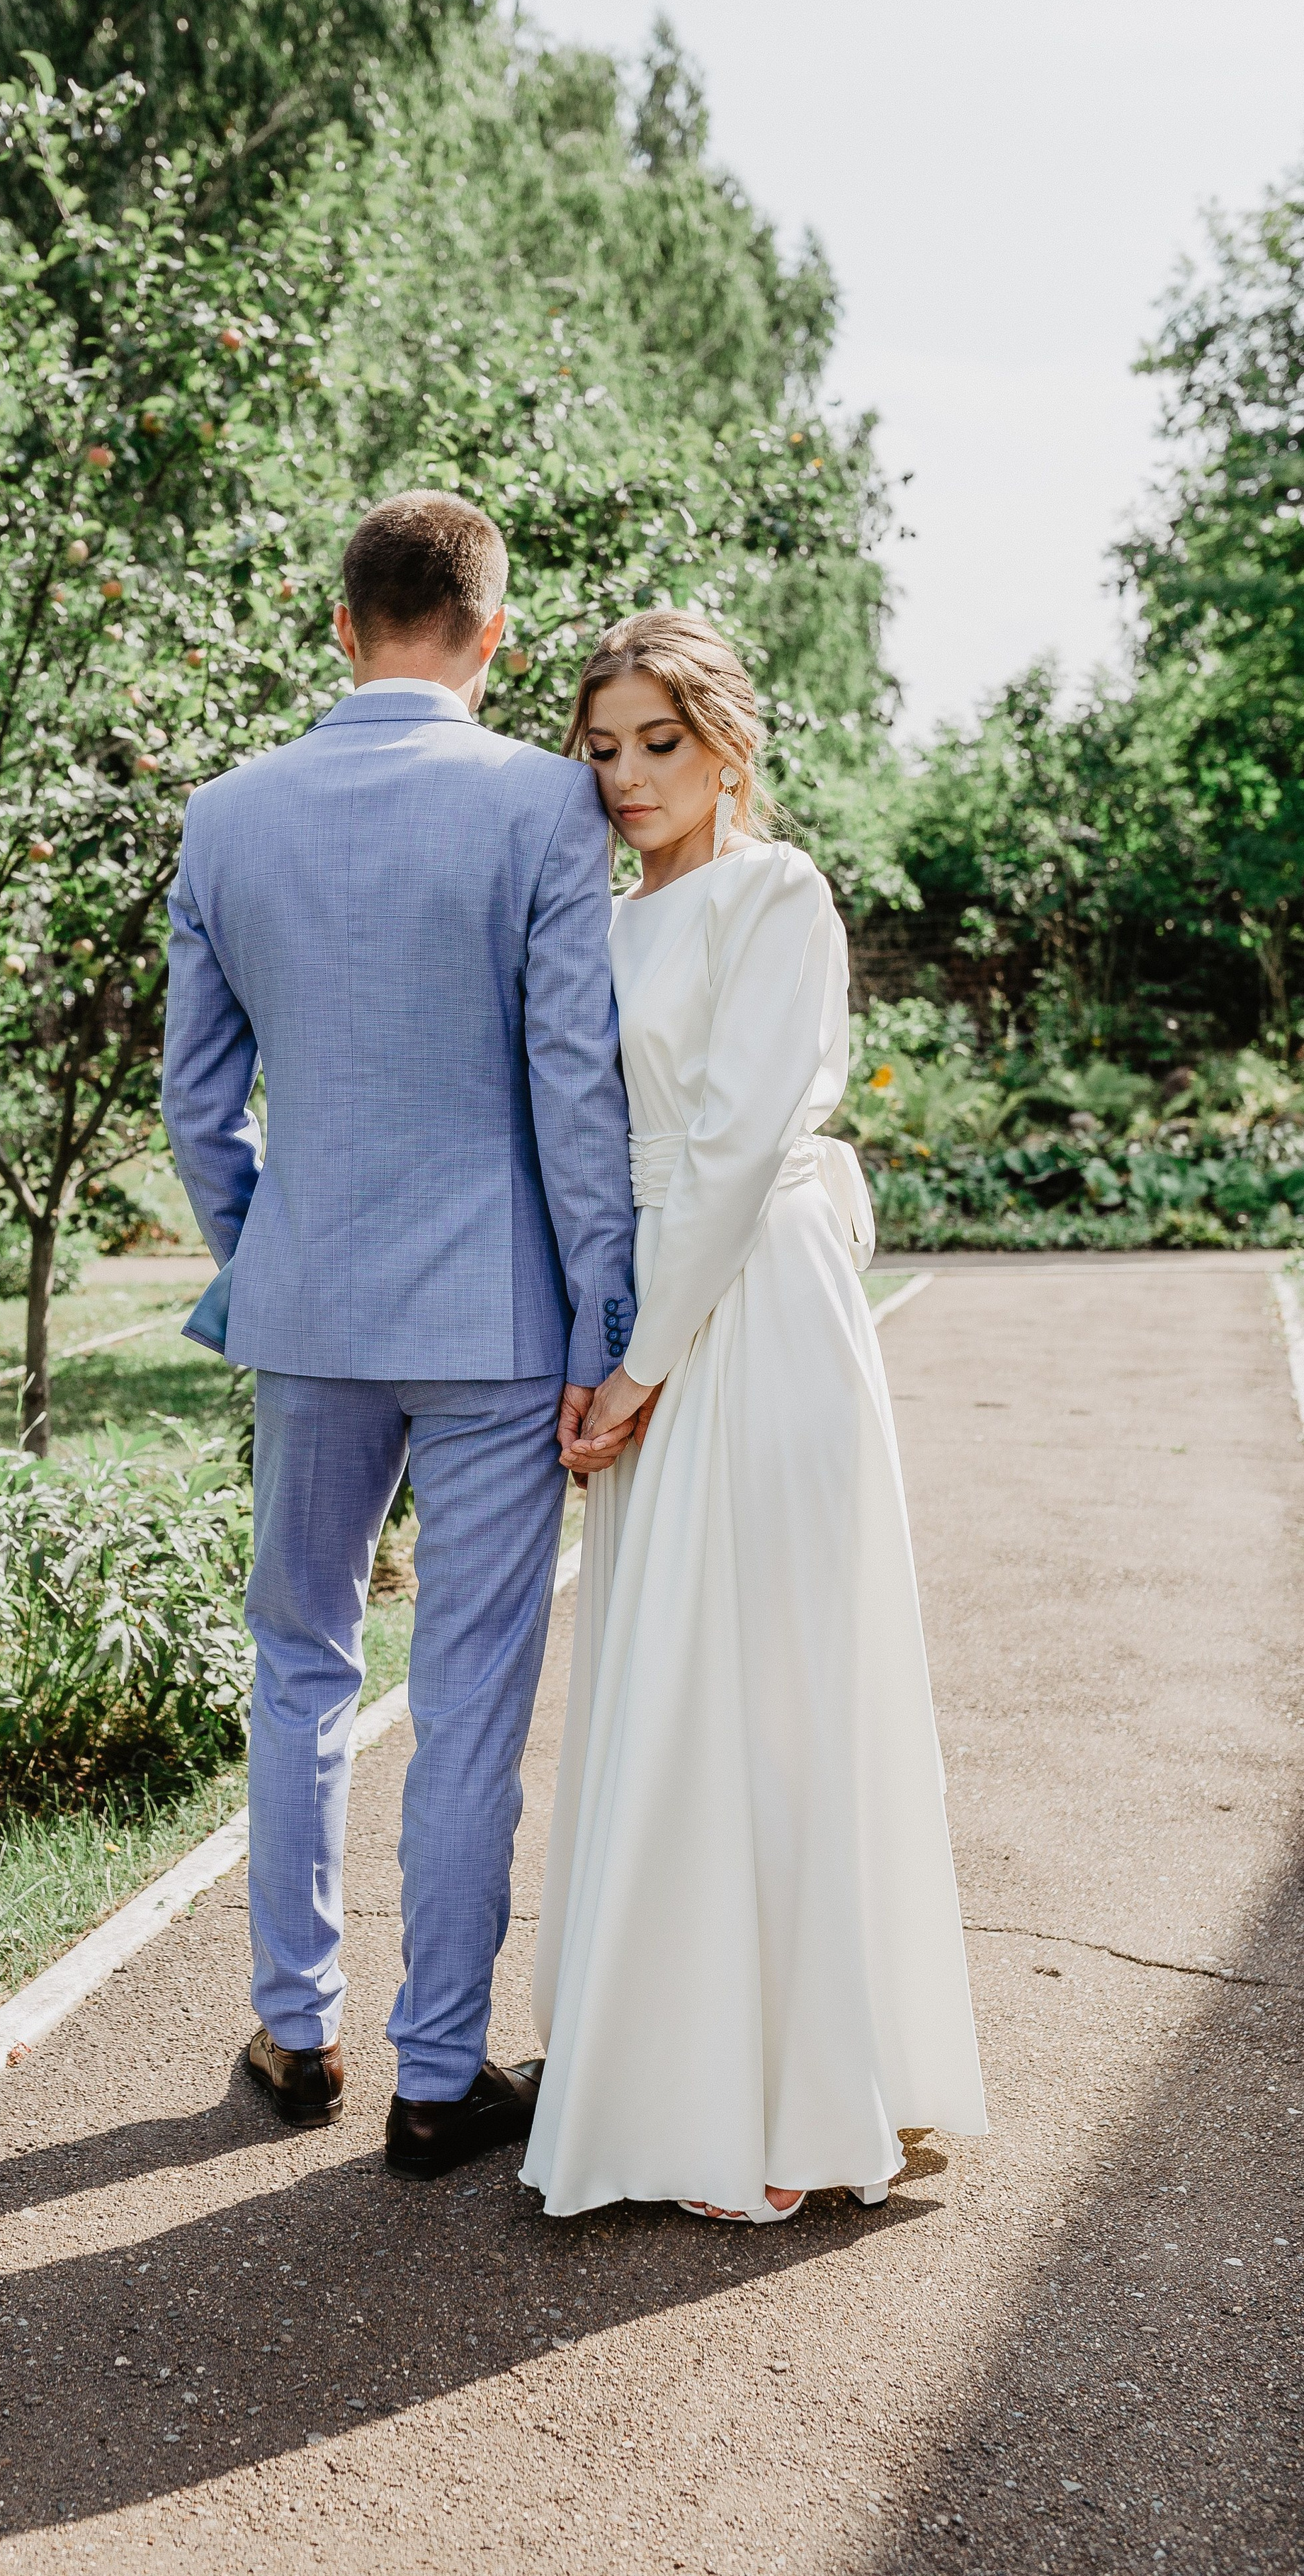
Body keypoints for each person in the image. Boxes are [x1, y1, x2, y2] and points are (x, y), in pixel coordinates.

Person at [161, 492, 638, 2180]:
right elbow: (577, 1097)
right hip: (503, 1325)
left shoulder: (225, 817)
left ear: (340, 622)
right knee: (470, 1697)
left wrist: (266, 1249)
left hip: (309, 1313)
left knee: (296, 1661)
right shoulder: (539, 805)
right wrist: (608, 1323)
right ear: (492, 633)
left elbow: (196, 1106)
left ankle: (296, 2034)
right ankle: (438, 2078)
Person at [521, 608, 988, 2225]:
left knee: (771, 1680)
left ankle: (788, 2101)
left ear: (724, 740)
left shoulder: (772, 895)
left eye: (658, 741)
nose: (629, 775)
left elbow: (729, 1145)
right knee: (668, 1682)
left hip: (747, 1310)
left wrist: (641, 1359)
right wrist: (604, 1336)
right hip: (648, 1301)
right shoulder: (594, 916)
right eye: (602, 749)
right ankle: (669, 2070)